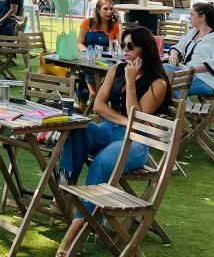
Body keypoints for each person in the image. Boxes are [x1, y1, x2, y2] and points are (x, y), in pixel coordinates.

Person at [56, 27, 170, 257]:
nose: (124, 50)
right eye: (122, 45)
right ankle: (67, 189)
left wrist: (130, 84)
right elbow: (98, 106)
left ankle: (78, 225)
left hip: (136, 142)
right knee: (77, 126)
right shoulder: (116, 69)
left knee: (102, 162)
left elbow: (137, 119)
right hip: (109, 130)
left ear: (144, 50)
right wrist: (124, 120)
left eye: (130, 46)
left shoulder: (158, 82)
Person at [166, 2, 214, 97]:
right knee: (163, 69)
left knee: (168, 83)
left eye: (192, 15)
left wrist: (192, 70)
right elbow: (177, 47)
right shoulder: (193, 32)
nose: (189, 18)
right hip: (187, 73)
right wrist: (173, 55)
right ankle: (181, 107)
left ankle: (183, 108)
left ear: (202, 17)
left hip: (207, 80)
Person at [77, 0, 122, 103]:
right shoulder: (88, 23)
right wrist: (88, 52)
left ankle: (96, 100)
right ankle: (92, 100)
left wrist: (119, 24)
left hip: (106, 61)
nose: (109, 11)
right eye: (105, 9)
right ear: (98, 10)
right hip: (88, 59)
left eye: (111, 9)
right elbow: (79, 42)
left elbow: (123, 44)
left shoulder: (115, 26)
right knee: (84, 74)